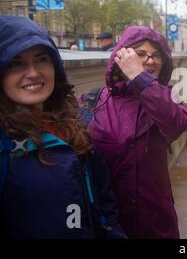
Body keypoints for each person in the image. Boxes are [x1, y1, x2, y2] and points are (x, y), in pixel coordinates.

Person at [0, 15, 126, 238]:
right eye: (16, 63)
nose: (33, 72)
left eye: (41, 59)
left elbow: (103, 199)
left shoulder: (75, 124)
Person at [87, 26, 187, 238]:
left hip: (155, 221)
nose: (150, 61)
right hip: (111, 223)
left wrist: (139, 76)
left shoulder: (166, 97)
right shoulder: (95, 101)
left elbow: (178, 123)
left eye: (156, 56)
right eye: (141, 54)